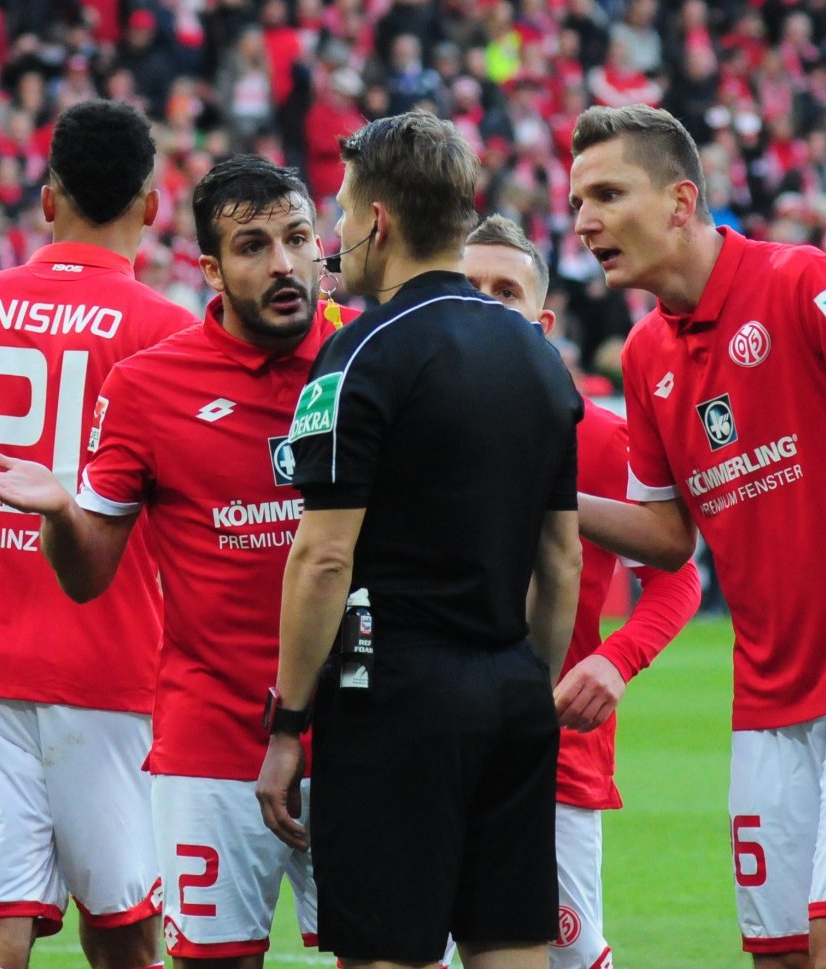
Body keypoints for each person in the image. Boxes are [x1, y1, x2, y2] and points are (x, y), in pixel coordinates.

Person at [567, 104, 826, 969]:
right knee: (780, 954)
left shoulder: (799, 279)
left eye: (607, 193)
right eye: (576, 202)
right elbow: (667, 538)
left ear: (681, 201)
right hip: (769, 689)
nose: (584, 221)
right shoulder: (644, 354)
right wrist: (546, 501)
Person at [0, 154, 354, 968]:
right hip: (211, 740)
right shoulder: (148, 384)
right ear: (210, 267)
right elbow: (88, 572)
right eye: (251, 246)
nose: (282, 263)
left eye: (296, 238)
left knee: (386, 958)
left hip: (360, 728)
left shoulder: (368, 350)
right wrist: (64, 512)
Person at [253, 110, 584, 969]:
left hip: (393, 694)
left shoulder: (360, 355)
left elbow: (322, 557)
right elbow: (562, 559)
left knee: (387, 951)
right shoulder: (540, 357)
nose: (332, 233)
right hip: (513, 690)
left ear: (378, 220)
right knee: (511, 946)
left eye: (338, 210)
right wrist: (528, 688)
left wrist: (289, 722)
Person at [0, 99, 192, 969]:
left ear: (46, 201)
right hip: (113, 667)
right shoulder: (171, 335)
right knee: (125, 928)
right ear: (152, 207)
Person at [463, 214, 703, 969]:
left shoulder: (598, 440)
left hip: (553, 748)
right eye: (470, 288)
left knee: (562, 955)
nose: (488, 304)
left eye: (507, 291)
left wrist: (617, 659)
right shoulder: (395, 423)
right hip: (427, 734)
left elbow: (676, 573)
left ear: (541, 322)